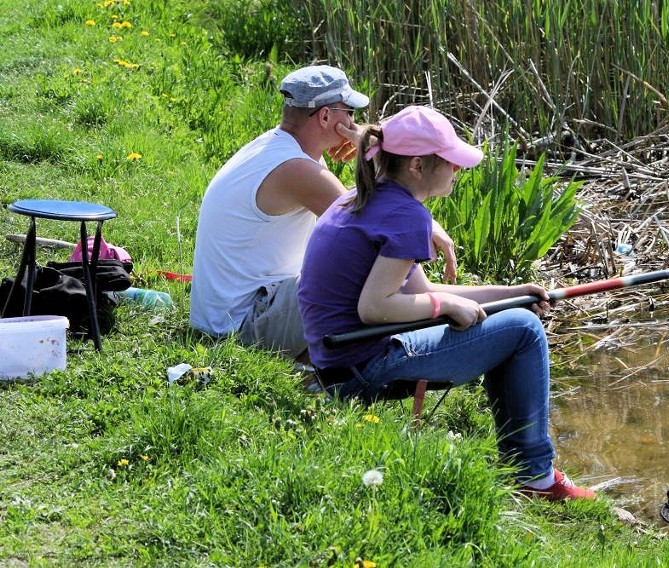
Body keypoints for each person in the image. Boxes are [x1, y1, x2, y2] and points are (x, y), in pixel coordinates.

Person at [298, 106, 596, 501]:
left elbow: (418, 293)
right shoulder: (407, 216)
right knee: (525, 330)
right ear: (418, 166)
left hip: (336, 364)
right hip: (361, 368)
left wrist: (509, 293)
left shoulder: (366, 197)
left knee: (517, 314)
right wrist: (447, 310)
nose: (458, 169)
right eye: (451, 162)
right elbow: (376, 307)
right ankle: (535, 476)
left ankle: (524, 465)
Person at [189, 65, 457, 362]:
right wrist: (426, 220)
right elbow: (379, 224)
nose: (354, 122)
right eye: (350, 113)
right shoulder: (298, 169)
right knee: (356, 271)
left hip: (228, 314)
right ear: (326, 116)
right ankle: (347, 367)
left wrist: (368, 147)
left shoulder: (277, 147)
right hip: (238, 326)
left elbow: (376, 214)